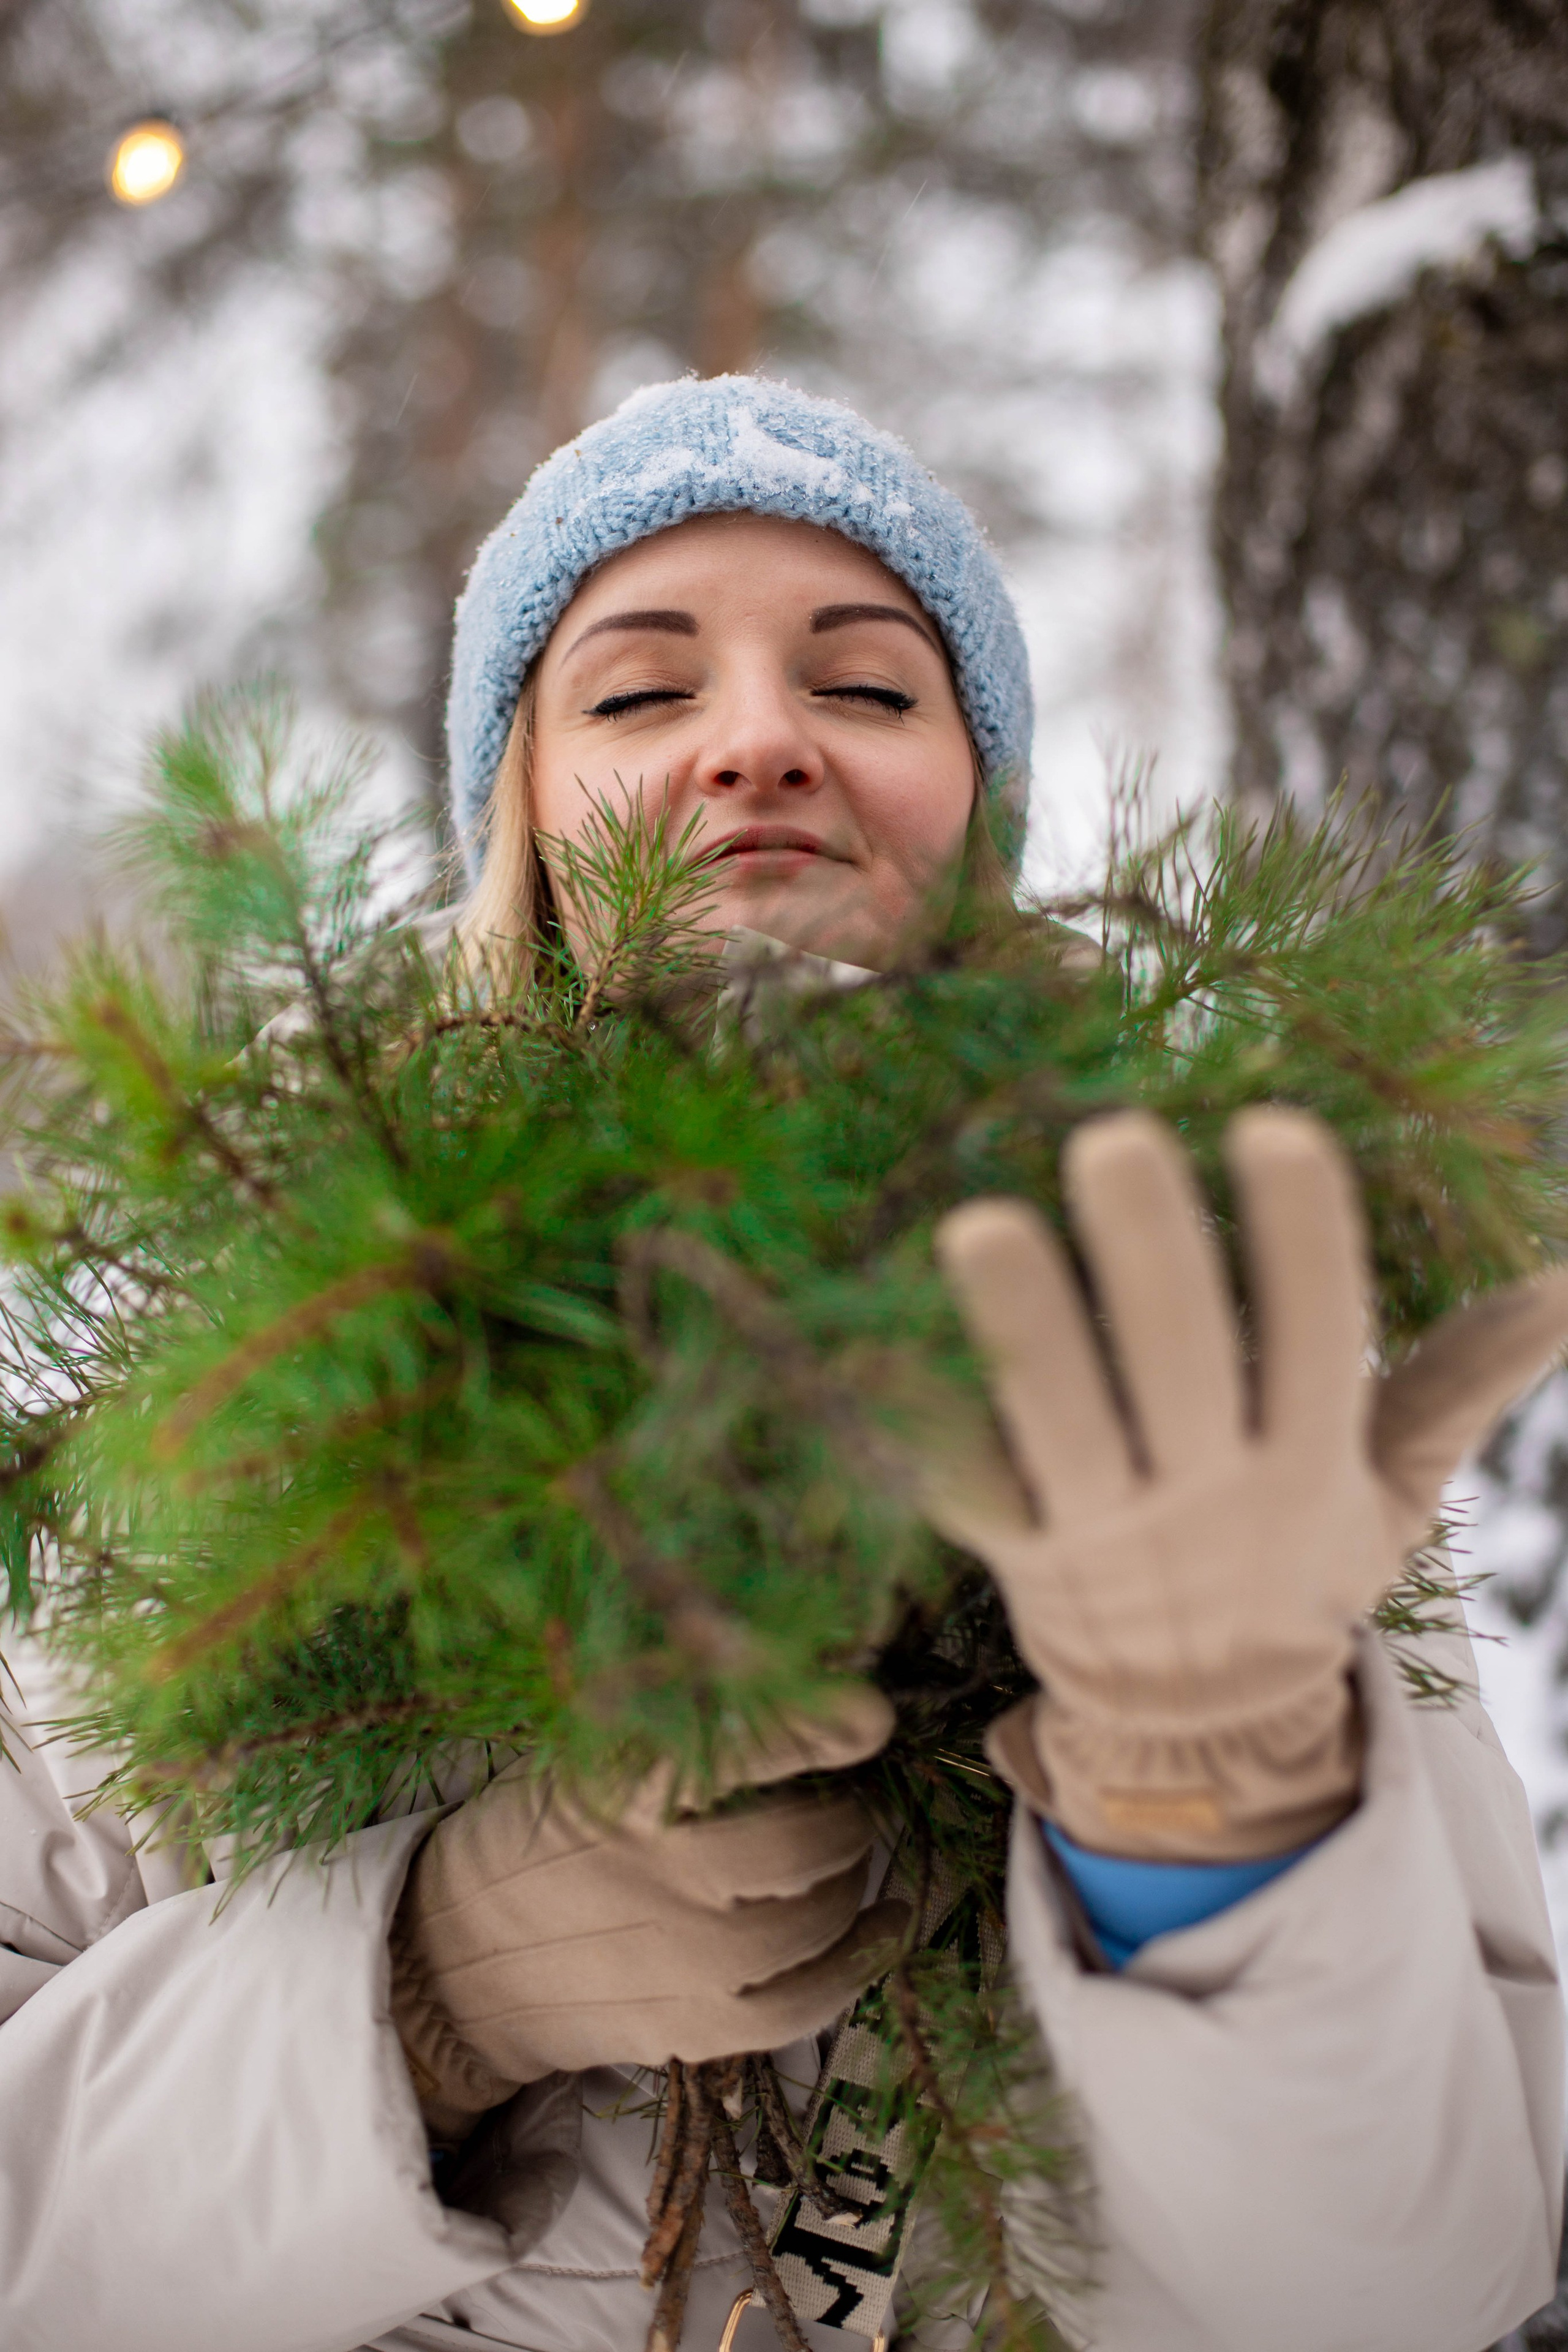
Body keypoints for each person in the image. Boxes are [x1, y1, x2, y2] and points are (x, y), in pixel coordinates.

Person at [1, 375, 1564, 2352]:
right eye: (643, 695)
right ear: (525, 819)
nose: (758, 744)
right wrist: (418, 1997)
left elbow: (1420, 2286)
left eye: (873, 688)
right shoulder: (233, 1373)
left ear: (979, 810)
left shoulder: (1198, 1388)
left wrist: (1222, 1839)